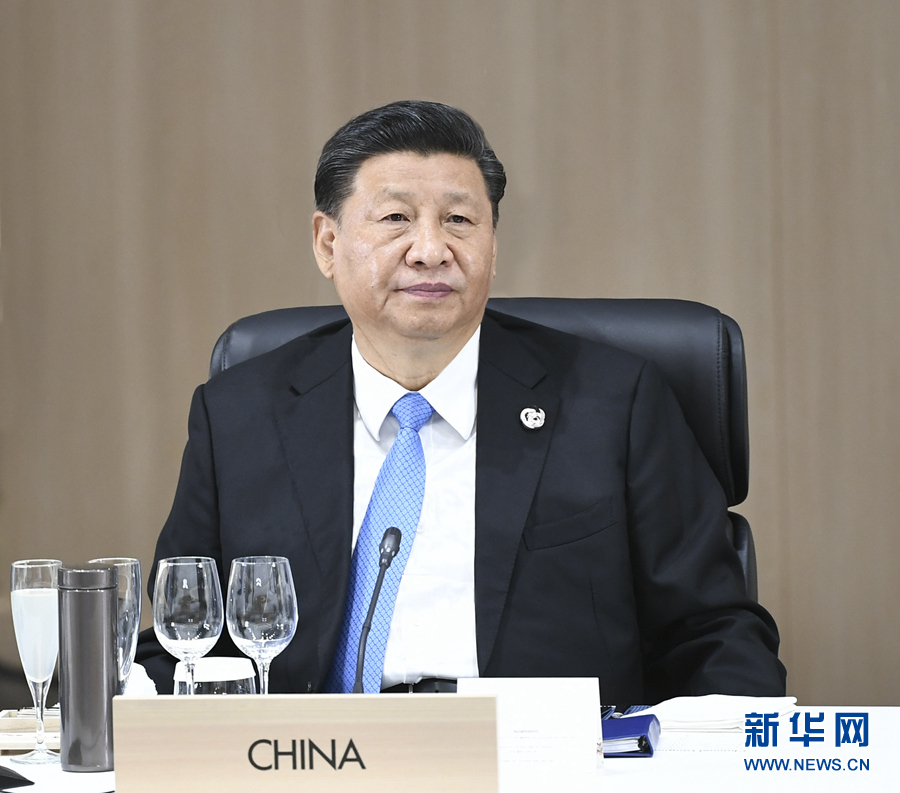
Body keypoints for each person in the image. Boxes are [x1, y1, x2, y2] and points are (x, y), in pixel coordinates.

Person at [136, 100, 786, 702]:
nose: (429, 251)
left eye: (459, 221)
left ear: (492, 247)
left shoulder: (613, 404)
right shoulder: (240, 417)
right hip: (317, 760)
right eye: (395, 219)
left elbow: (713, 633)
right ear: (328, 244)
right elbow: (182, 643)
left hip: (538, 762)